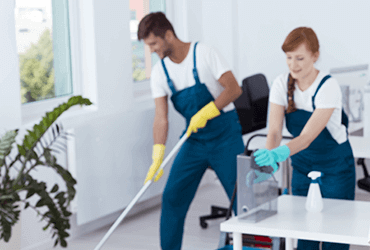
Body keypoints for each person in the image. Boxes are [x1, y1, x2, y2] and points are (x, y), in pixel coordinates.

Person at [137, 12, 244, 250]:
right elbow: (161, 118)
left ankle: (252, 246)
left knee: (242, 201)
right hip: (194, 140)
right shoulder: (160, 73)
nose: (152, 50)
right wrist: (158, 154)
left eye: (154, 43)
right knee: (172, 198)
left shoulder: (204, 53)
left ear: (168, 35)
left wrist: (208, 111)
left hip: (225, 136)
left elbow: (234, 89)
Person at [253, 27, 355, 250]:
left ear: (315, 56)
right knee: (304, 232)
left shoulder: (328, 86)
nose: (293, 64)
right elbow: (274, 132)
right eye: (289, 58)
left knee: (334, 235)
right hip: (302, 167)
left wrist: (279, 153)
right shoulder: (281, 83)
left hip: (335, 167)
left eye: (299, 58)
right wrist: (268, 164)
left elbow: (308, 136)